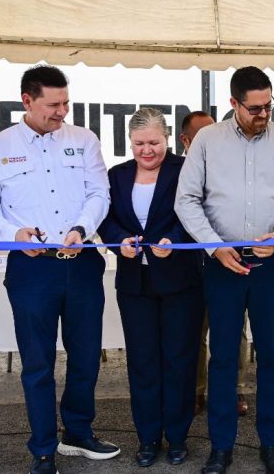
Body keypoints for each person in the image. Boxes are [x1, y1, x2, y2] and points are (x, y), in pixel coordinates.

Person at [0, 64, 116, 473]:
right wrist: (13, 232)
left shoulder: (84, 140)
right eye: (53, 104)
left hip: (82, 262)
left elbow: (99, 193)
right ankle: (43, 448)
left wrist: (81, 228)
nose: (61, 111)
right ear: (27, 101)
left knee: (86, 355)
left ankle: (79, 433)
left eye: (66, 102)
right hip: (31, 269)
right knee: (37, 363)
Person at [175, 66, 274, 474]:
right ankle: (221, 446)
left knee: (271, 355)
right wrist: (215, 248)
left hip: (271, 261)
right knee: (222, 356)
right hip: (223, 262)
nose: (263, 114)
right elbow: (186, 200)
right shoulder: (207, 141)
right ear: (233, 104)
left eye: (268, 106)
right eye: (254, 108)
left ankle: (271, 443)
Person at [98, 107, 205, 467]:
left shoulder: (185, 170)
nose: (147, 150)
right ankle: (147, 437)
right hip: (134, 283)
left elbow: (196, 214)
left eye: (154, 142)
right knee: (142, 362)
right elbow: (107, 220)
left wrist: (173, 239)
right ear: (129, 142)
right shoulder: (116, 175)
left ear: (168, 139)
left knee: (179, 360)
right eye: (139, 143)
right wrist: (118, 242)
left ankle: (177, 437)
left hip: (180, 282)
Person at [181, 111, 252, 417]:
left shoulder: (233, 169)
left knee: (234, 332)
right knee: (192, 332)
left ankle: (233, 390)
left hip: (228, 265)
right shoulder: (178, 173)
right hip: (190, 267)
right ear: (185, 141)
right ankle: (195, 391)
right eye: (203, 135)